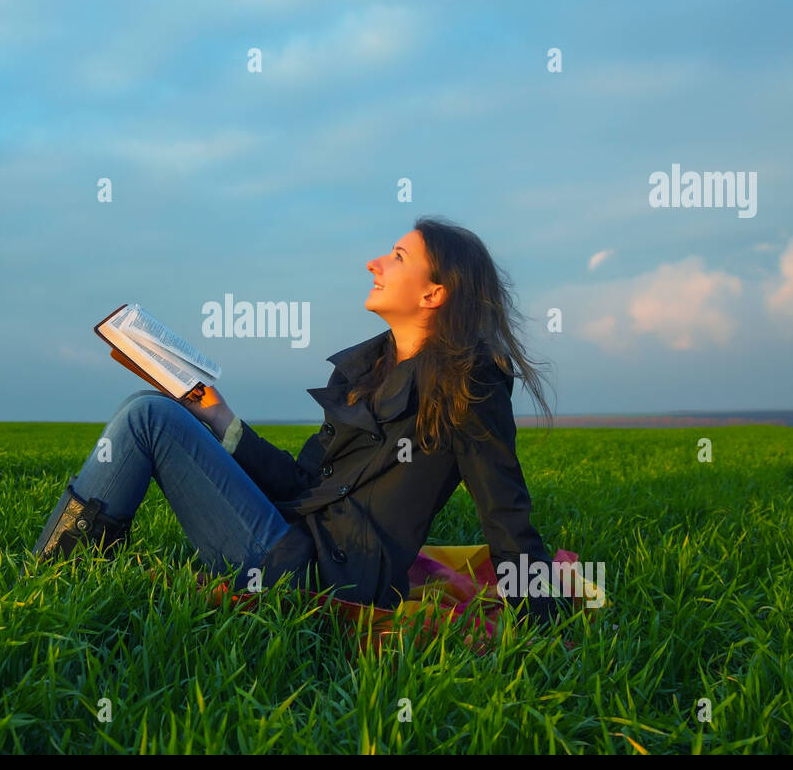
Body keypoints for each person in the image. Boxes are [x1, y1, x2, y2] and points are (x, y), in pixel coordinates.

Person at [32, 215, 563, 628]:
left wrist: (544, 628)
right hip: (292, 538)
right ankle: (72, 569)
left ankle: (50, 576)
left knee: (147, 416)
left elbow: (506, 515)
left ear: (433, 294)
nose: (374, 263)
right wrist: (217, 414)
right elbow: (303, 483)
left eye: (398, 256)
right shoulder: (370, 370)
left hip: (325, 578)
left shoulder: (470, 383)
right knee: (149, 405)